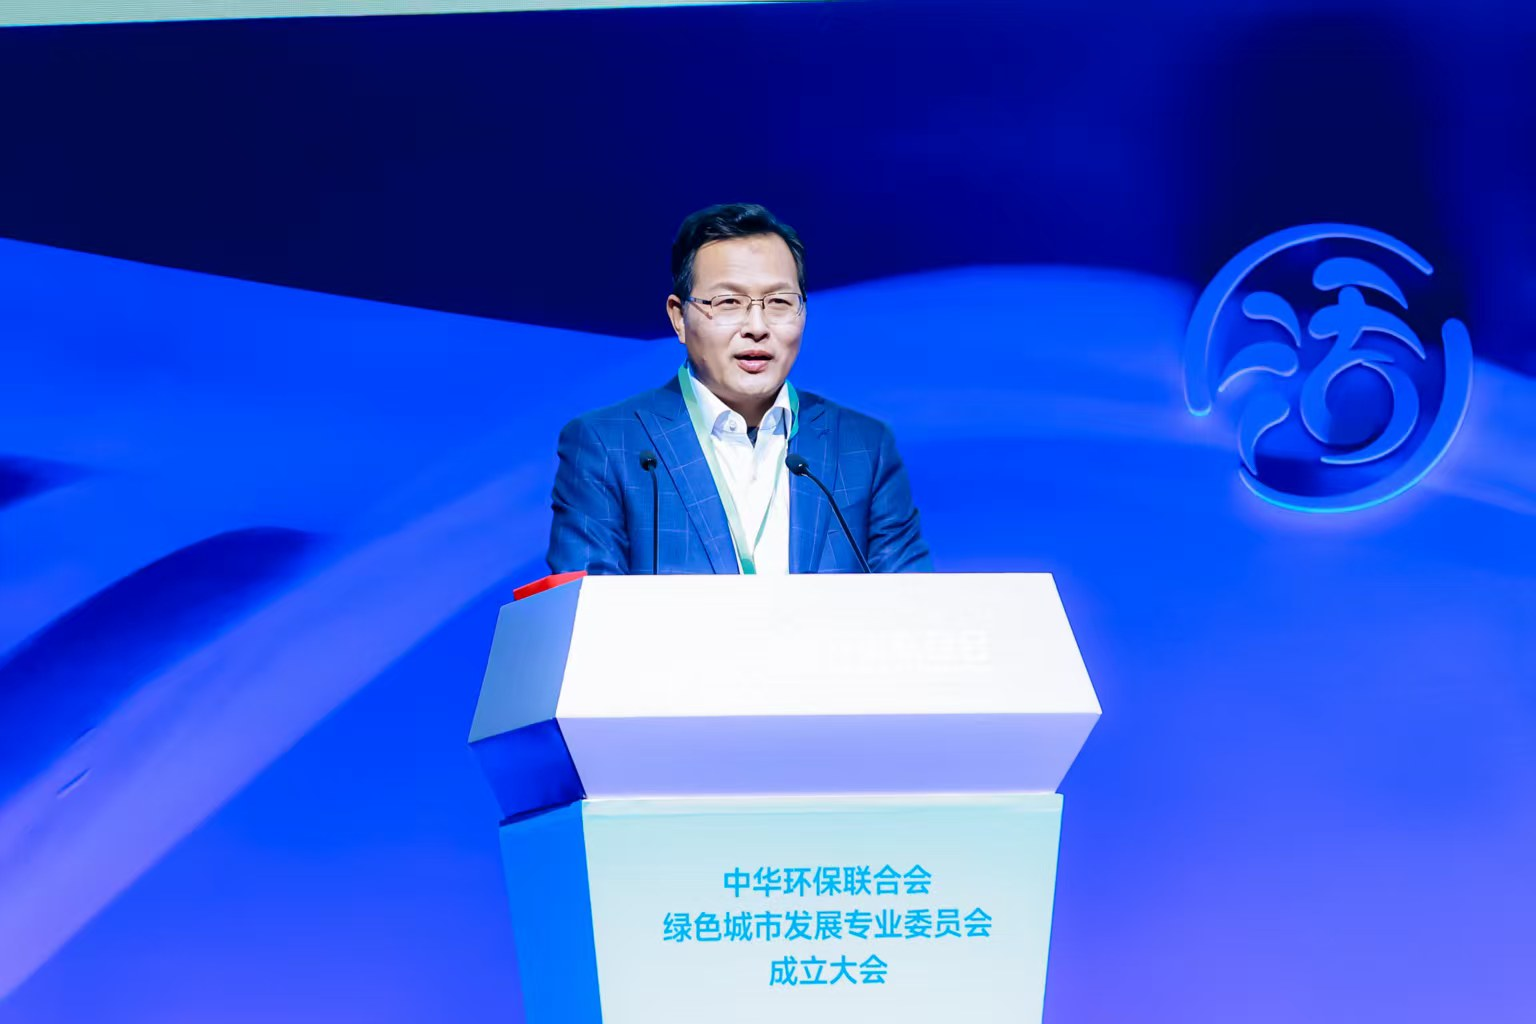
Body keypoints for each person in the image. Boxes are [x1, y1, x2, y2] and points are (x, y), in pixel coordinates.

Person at [546, 202, 931, 575]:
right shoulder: (607, 445)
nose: (757, 327)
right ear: (679, 318)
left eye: (779, 302)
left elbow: (914, 604)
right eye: (729, 302)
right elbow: (587, 608)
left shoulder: (864, 447)